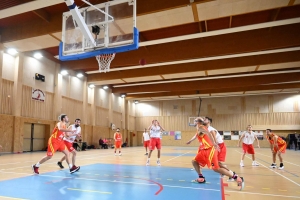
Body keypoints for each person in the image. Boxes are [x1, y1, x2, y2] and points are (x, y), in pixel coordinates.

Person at [188, 117, 244, 190]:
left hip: (210, 150)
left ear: (198, 122)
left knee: (216, 168)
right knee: (194, 161)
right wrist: (190, 140)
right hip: (204, 150)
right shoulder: (199, 128)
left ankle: (237, 178)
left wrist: (214, 143)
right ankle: (201, 178)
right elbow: (197, 135)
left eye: (195, 120)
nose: (194, 122)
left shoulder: (202, 127)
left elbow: (208, 134)